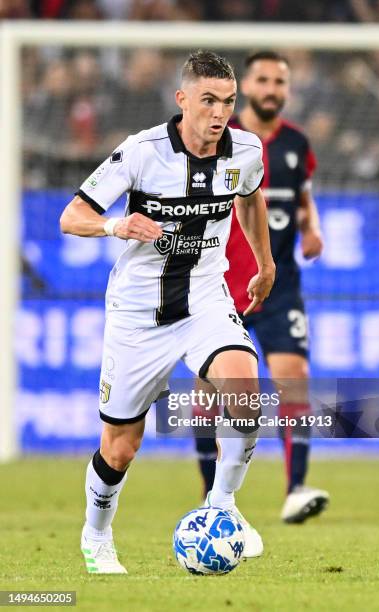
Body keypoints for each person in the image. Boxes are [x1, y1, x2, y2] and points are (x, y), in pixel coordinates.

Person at [60, 50, 276, 574]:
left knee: (245, 390)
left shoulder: (245, 149)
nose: (220, 112)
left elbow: (249, 199)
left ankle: (222, 506)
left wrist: (265, 264)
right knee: (120, 448)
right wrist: (117, 226)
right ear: (182, 100)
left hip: (204, 299)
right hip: (138, 316)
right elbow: (73, 216)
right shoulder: (141, 151)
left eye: (228, 101)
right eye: (208, 101)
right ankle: (96, 535)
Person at [193, 51, 330, 524]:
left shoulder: (297, 144)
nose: (272, 89)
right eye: (264, 80)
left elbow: (303, 199)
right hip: (217, 287)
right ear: (245, 87)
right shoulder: (219, 142)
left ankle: (295, 489)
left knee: (294, 379)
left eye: (280, 81)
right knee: (210, 395)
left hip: (280, 286)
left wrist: (311, 230)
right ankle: (214, 501)